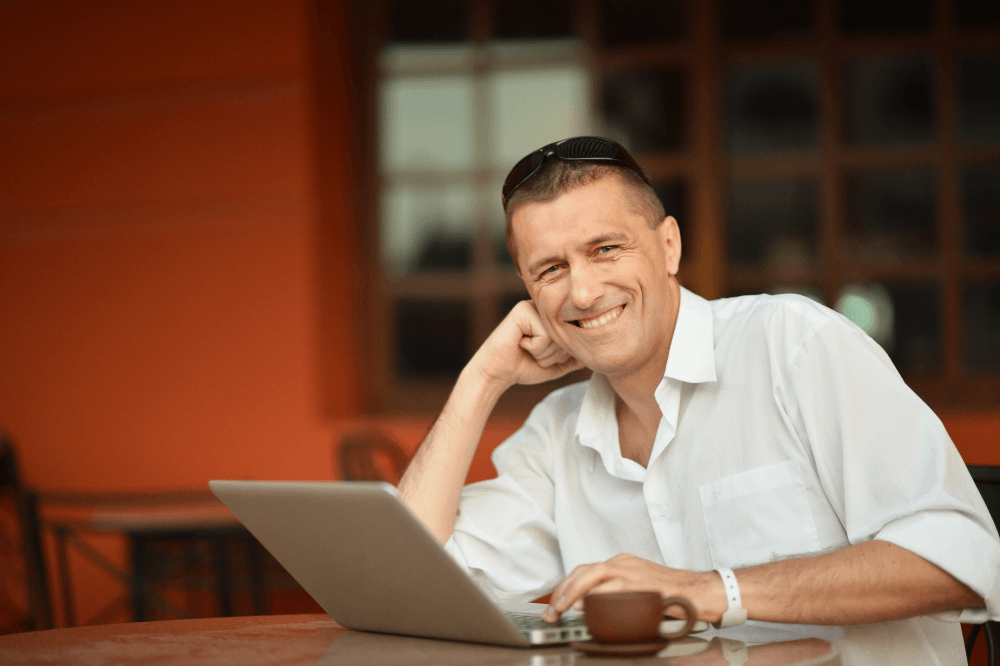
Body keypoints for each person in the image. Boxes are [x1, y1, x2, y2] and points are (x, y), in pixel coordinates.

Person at [397, 136, 999, 664]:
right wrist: (480, 381)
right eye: (550, 269)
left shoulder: (792, 344)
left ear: (668, 247)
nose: (582, 290)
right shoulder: (557, 433)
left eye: (606, 249)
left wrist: (709, 590)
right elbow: (410, 588)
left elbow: (960, 560)